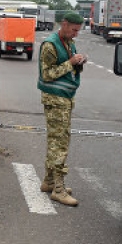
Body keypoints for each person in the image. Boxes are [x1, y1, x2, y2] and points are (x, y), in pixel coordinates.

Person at [37, 12, 86, 207]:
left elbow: (68, 68)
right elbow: (47, 74)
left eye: (78, 31)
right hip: (55, 99)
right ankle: (58, 189)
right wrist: (70, 63)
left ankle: (49, 181)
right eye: (74, 30)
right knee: (60, 143)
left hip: (64, 99)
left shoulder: (69, 42)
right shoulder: (50, 45)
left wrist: (78, 62)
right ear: (64, 24)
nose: (75, 34)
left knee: (55, 141)